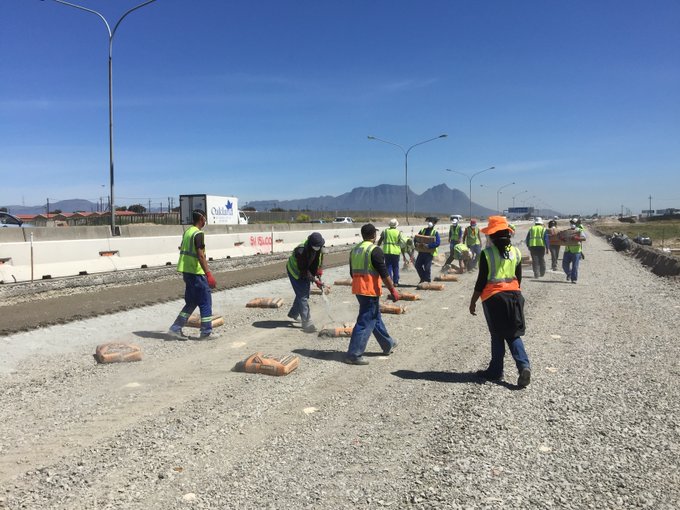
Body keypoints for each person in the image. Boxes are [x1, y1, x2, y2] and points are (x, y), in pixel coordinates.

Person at [469, 216, 531, 388]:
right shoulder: (516, 253)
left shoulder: (487, 254)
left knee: (497, 334)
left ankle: (495, 371)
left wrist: (473, 301)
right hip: (515, 296)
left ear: (492, 235)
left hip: (493, 298)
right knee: (513, 333)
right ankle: (523, 366)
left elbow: (481, 281)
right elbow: (518, 278)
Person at [345, 223, 399, 365]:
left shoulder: (355, 250)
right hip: (369, 290)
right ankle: (354, 354)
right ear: (374, 235)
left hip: (358, 289)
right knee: (365, 321)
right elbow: (384, 273)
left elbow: (352, 272)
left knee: (374, 317)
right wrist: (393, 290)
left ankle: (388, 344)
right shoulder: (375, 250)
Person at [168, 209, 217, 340]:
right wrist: (208, 274)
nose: (205, 221)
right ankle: (206, 332)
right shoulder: (198, 234)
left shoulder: (187, 232)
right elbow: (200, 255)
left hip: (186, 271)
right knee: (205, 301)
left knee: (191, 302)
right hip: (196, 273)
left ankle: (175, 328)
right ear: (201, 219)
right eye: (205, 218)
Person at [286, 232, 325, 333]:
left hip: (305, 270)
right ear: (311, 244)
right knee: (303, 296)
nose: (318, 248)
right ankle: (307, 323)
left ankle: (294, 313)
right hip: (295, 272)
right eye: (315, 247)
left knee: (302, 293)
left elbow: (319, 257)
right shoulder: (301, 251)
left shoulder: (319, 245)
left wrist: (319, 269)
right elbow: (303, 270)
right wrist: (315, 280)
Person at [377, 218, 405, 286]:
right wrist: (404, 253)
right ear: (396, 225)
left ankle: (389, 282)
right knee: (395, 267)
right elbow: (402, 243)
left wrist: (377, 247)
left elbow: (380, 241)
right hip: (395, 251)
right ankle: (396, 282)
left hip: (387, 251)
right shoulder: (398, 232)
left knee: (388, 267)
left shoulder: (385, 231)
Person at [414, 217, 441, 283]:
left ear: (434, 223)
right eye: (429, 221)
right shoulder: (422, 230)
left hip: (429, 253)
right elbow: (416, 238)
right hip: (421, 252)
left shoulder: (435, 232)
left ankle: (428, 280)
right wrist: (416, 244)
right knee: (417, 265)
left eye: (432, 221)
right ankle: (423, 278)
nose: (430, 222)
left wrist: (428, 246)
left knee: (427, 268)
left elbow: (437, 243)